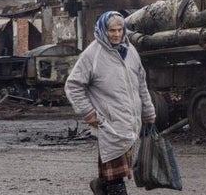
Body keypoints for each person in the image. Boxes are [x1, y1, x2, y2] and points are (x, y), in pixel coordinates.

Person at [66, 11, 156, 195]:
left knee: (114, 173)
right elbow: (73, 85)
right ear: (102, 30)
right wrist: (88, 113)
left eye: (119, 29)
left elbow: (141, 84)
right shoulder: (93, 54)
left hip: (130, 122)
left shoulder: (131, 51)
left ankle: (100, 185)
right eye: (111, 30)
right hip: (109, 123)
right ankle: (106, 186)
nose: (116, 34)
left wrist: (148, 111)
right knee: (117, 179)